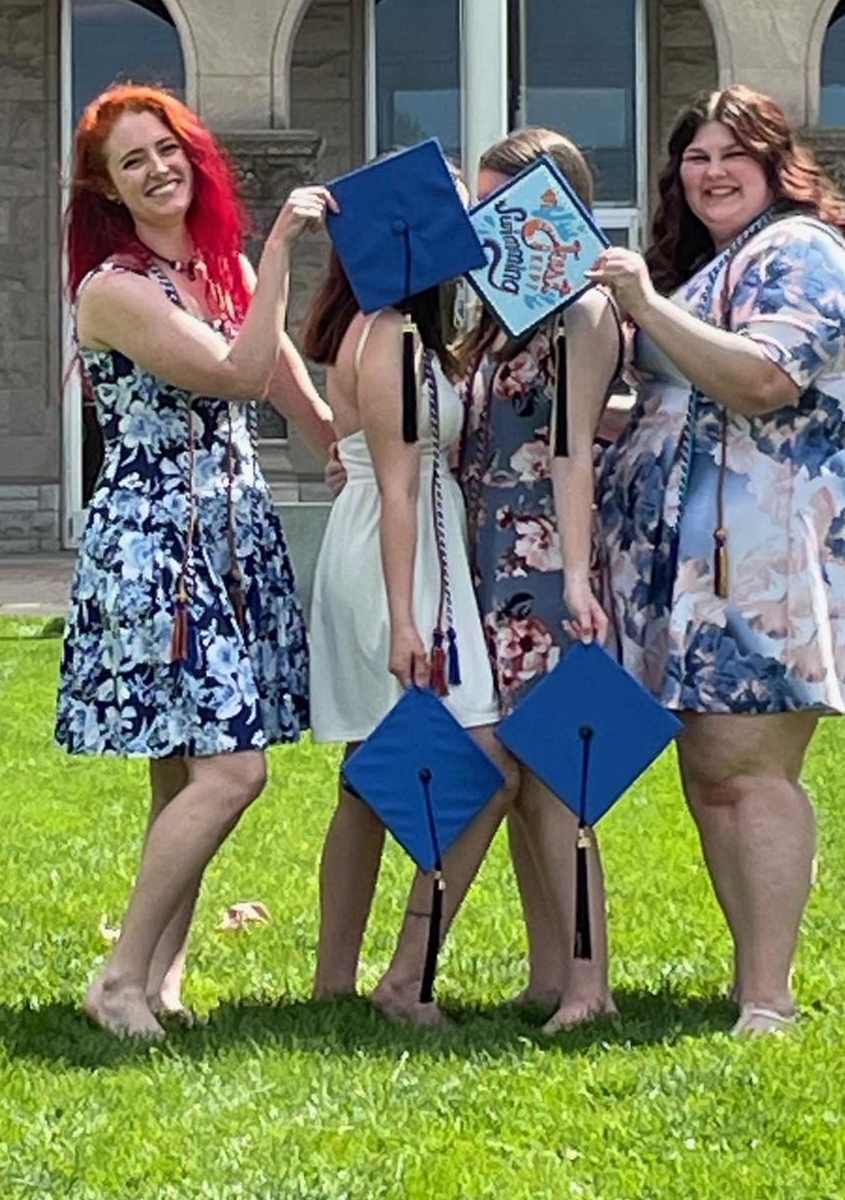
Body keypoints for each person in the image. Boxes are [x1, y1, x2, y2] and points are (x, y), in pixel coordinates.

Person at [592, 85, 845, 1037]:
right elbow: (684, 395)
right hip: (704, 560)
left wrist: (643, 306)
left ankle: (770, 998)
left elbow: (764, 378)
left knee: (747, 763)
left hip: (772, 549)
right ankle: (752, 978)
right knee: (712, 768)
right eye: (695, 157)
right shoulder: (717, 263)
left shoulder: (800, 251)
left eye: (733, 154)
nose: (711, 173)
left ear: (778, 165)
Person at [55, 83, 335, 1040]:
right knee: (232, 769)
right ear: (109, 189)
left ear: (193, 154)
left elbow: (280, 367)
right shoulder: (115, 290)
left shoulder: (217, 270)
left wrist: (333, 442)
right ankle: (118, 980)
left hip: (229, 532)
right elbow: (237, 374)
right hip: (156, 544)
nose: (156, 169)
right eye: (132, 162)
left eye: (166, 149)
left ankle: (159, 979)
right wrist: (283, 248)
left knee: (184, 774)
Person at [304, 243, 517, 1025]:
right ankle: (405, 976)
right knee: (490, 767)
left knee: (365, 778)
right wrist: (406, 619)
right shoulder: (392, 336)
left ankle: (333, 982)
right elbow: (399, 487)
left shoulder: (380, 330)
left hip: (387, 543)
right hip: (402, 560)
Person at [459, 127, 623, 1031]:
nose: (489, 223)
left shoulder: (583, 311)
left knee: (563, 780)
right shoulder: (500, 311)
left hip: (549, 563)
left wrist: (577, 578)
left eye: (505, 204)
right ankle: (547, 970)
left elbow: (571, 450)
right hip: (491, 561)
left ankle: (591, 986)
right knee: (520, 776)